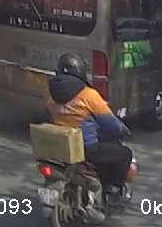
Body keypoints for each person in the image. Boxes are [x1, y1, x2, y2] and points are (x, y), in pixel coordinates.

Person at [46, 53, 132, 223]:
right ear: (80, 72)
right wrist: (123, 130)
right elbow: (111, 124)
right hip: (86, 149)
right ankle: (113, 190)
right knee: (125, 154)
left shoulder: (51, 95)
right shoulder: (88, 95)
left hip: (60, 148)